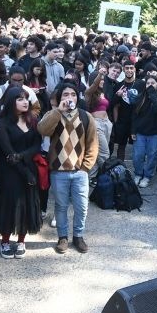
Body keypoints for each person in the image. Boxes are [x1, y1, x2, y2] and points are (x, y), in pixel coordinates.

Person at [39, 81, 98, 252]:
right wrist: (58, 111)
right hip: (58, 170)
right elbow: (42, 130)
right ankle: (62, 237)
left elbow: (92, 143)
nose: (69, 98)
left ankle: (78, 236)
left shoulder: (86, 116)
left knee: (82, 206)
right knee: (61, 206)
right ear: (59, 98)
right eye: (65, 94)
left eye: (72, 94)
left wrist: (86, 167)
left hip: (80, 171)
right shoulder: (53, 114)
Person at [0, 85, 44, 258]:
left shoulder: (33, 121)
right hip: (9, 172)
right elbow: (7, 152)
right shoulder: (1, 123)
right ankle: (5, 241)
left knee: (27, 204)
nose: (25, 102)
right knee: (9, 204)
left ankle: (21, 240)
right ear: (11, 102)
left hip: (29, 166)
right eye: (20, 99)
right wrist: (24, 169)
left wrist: (22, 157)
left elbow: (37, 145)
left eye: (26, 98)